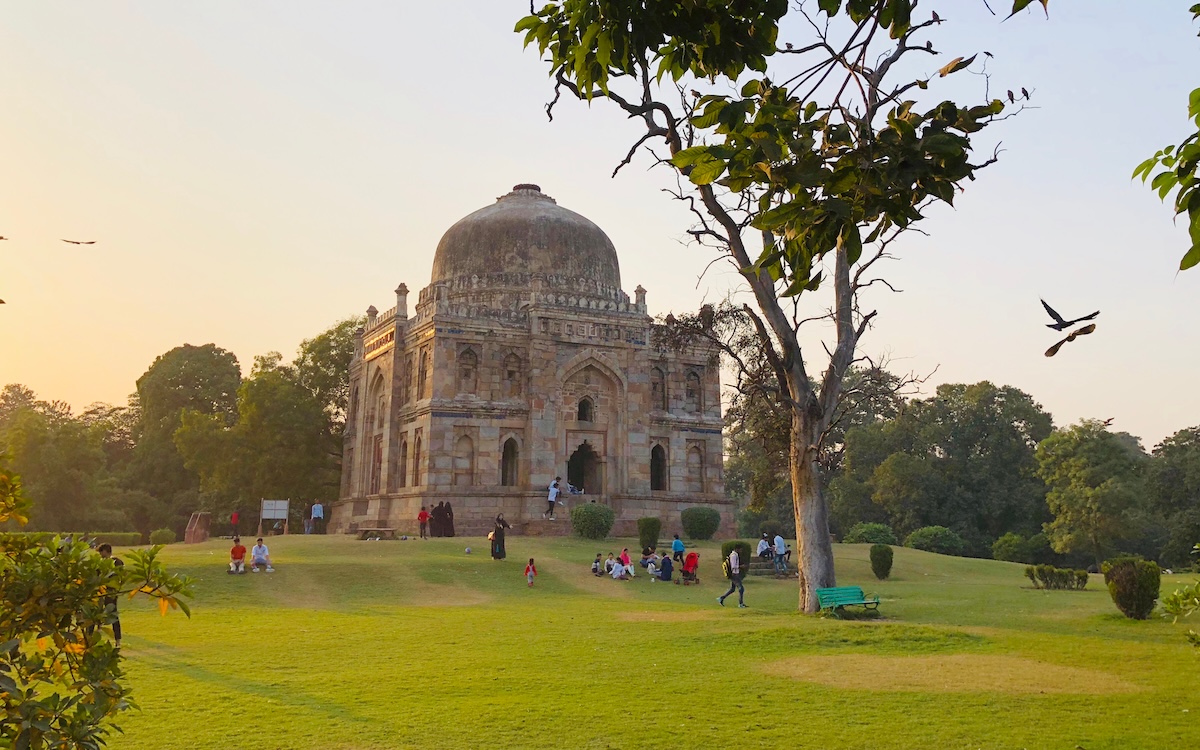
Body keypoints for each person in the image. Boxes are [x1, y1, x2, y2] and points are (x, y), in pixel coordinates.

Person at [96, 544, 124, 647]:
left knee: (113, 614)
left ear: (106, 551)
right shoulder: (100, 563)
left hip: (111, 592)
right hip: (101, 591)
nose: (100, 554)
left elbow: (120, 575)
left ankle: (118, 640)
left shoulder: (116, 562)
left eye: (101, 552)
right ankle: (95, 632)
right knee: (96, 611)